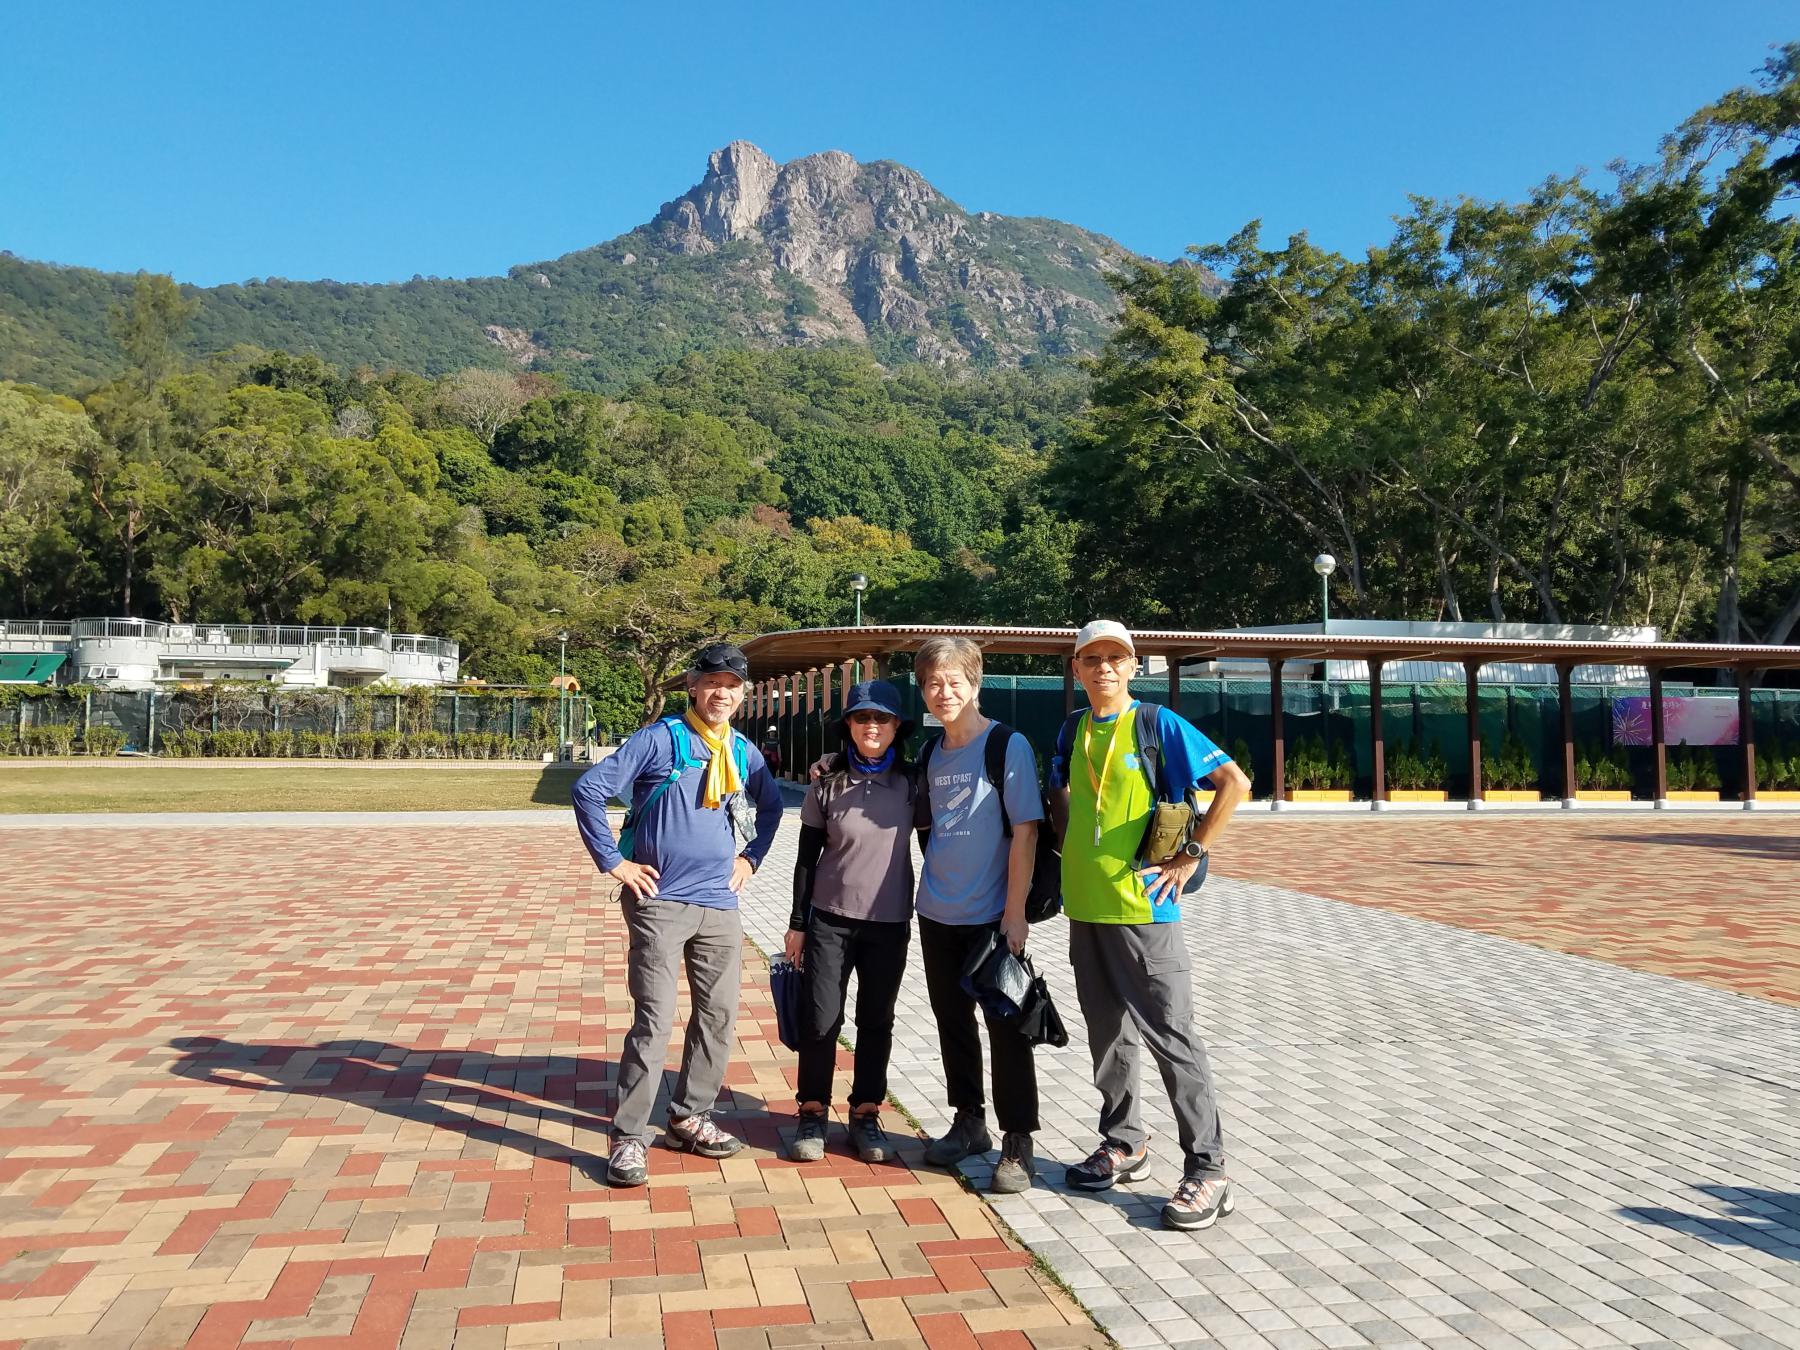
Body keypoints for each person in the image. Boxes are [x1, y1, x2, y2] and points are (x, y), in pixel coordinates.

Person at [1049, 620, 1250, 1231]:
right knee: (1107, 1036)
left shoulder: (1157, 724)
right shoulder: (1072, 729)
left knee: (1172, 1037)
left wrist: (1190, 855)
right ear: (1077, 669)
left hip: (1144, 910)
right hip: (1086, 909)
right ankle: (1124, 1143)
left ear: (1134, 666)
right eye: (1092, 659)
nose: (1104, 668)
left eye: (1116, 658)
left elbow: (1234, 783)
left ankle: (1209, 1171)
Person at [571, 642, 785, 1187]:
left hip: (720, 905)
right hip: (659, 903)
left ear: (743, 694)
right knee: (654, 1019)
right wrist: (615, 862)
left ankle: (690, 1116)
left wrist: (751, 858)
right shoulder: (661, 738)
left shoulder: (742, 750)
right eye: (712, 683)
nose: (722, 694)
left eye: (732, 686)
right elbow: (589, 790)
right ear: (693, 685)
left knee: (718, 1016)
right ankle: (628, 1136)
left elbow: (772, 806)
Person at [912, 636, 1044, 1193]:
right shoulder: (929, 752)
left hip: (992, 915)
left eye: (953, 681)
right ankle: (969, 1121)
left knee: (1007, 1028)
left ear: (975, 683)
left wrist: (1015, 913)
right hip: (936, 911)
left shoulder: (1006, 745)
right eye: (932, 683)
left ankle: (1018, 1140)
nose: (943, 692)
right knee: (952, 1022)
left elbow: (1026, 832)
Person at [784, 679, 917, 1163]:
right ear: (849, 726)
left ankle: (865, 1112)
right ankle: (812, 1111)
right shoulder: (827, 780)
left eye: (881, 718)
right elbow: (806, 856)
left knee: (876, 1020)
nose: (871, 726)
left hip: (889, 922)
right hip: (829, 920)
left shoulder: (913, 782)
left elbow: (936, 844)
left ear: (897, 726)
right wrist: (798, 923)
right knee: (820, 1019)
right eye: (862, 717)